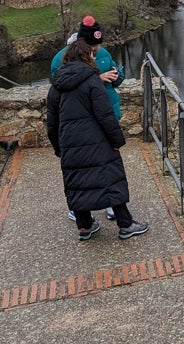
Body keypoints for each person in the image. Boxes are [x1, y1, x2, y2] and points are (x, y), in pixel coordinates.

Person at [46, 38, 149, 241]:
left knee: (77, 183)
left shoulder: (56, 86)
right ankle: (125, 224)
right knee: (111, 179)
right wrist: (117, 140)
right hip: (97, 141)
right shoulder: (92, 81)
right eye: (92, 54)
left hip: (70, 144)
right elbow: (105, 115)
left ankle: (84, 227)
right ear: (87, 56)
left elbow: (51, 122)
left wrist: (58, 148)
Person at [51, 15, 123, 222]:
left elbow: (115, 80)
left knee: (106, 166)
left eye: (98, 45)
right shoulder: (60, 60)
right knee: (85, 168)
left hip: (104, 115)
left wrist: (117, 76)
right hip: (82, 122)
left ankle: (110, 205)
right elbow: (62, 87)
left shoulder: (103, 53)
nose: (97, 50)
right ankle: (82, 211)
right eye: (92, 47)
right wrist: (96, 79)